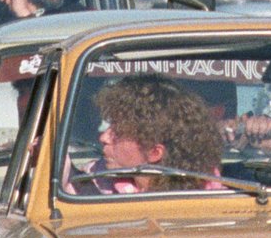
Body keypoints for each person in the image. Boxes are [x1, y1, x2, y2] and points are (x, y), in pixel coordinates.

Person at [77, 75, 223, 193]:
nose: (103, 138)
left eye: (118, 132)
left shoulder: (213, 198)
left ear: (154, 152)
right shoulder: (89, 185)